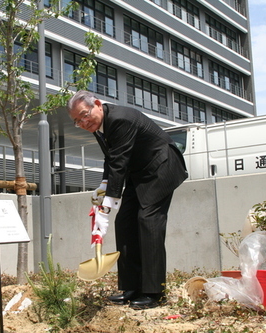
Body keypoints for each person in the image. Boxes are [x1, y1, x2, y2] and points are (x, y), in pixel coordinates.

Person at [67, 90, 187, 310]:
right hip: (139, 173)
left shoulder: (121, 118)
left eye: (84, 115)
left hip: (162, 166)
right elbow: (111, 158)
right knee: (125, 222)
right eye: (77, 121)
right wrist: (104, 186)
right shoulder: (98, 125)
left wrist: (106, 207)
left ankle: (154, 292)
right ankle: (131, 287)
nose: (83, 122)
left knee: (148, 221)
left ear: (97, 104)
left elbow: (119, 162)